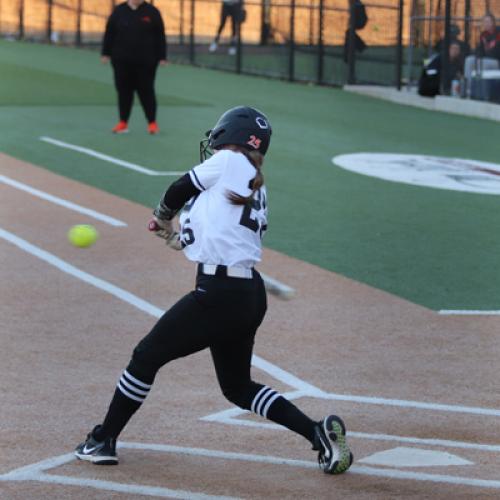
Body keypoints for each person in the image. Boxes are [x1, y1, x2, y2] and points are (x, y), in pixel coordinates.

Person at [74, 106, 353, 476]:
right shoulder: (249, 178)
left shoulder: (229, 162)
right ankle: (317, 434)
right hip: (247, 293)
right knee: (238, 387)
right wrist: (177, 237)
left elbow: (179, 188)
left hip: (220, 293)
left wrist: (161, 215)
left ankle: (102, 439)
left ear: (230, 136)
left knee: (144, 357)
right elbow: (209, 235)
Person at [101, 0, 168, 135]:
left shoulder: (152, 12)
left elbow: (160, 35)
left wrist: (162, 56)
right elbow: (110, 32)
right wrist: (106, 53)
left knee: (146, 91)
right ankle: (123, 122)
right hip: (121, 60)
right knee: (124, 91)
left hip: (146, 61)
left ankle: (152, 123)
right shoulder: (119, 11)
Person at [464, 13, 500, 97]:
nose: (486, 24)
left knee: (481, 64)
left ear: (493, 22)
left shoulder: (498, 33)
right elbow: (479, 50)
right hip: (484, 60)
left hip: (496, 61)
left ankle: (482, 90)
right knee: (469, 60)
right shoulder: (483, 34)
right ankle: (468, 88)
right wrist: (478, 56)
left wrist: (487, 48)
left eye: (488, 21)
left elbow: (496, 51)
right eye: (484, 22)